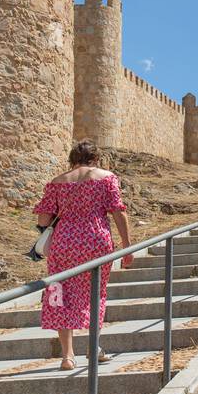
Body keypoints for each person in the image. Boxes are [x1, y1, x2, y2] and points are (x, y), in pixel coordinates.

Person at [33, 140, 133, 370]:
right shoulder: (107, 177)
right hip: (95, 240)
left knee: (60, 293)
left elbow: (43, 220)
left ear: (72, 159)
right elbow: (118, 211)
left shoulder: (57, 182)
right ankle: (93, 346)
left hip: (64, 243)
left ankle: (67, 356)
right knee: (96, 292)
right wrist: (126, 245)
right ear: (95, 158)